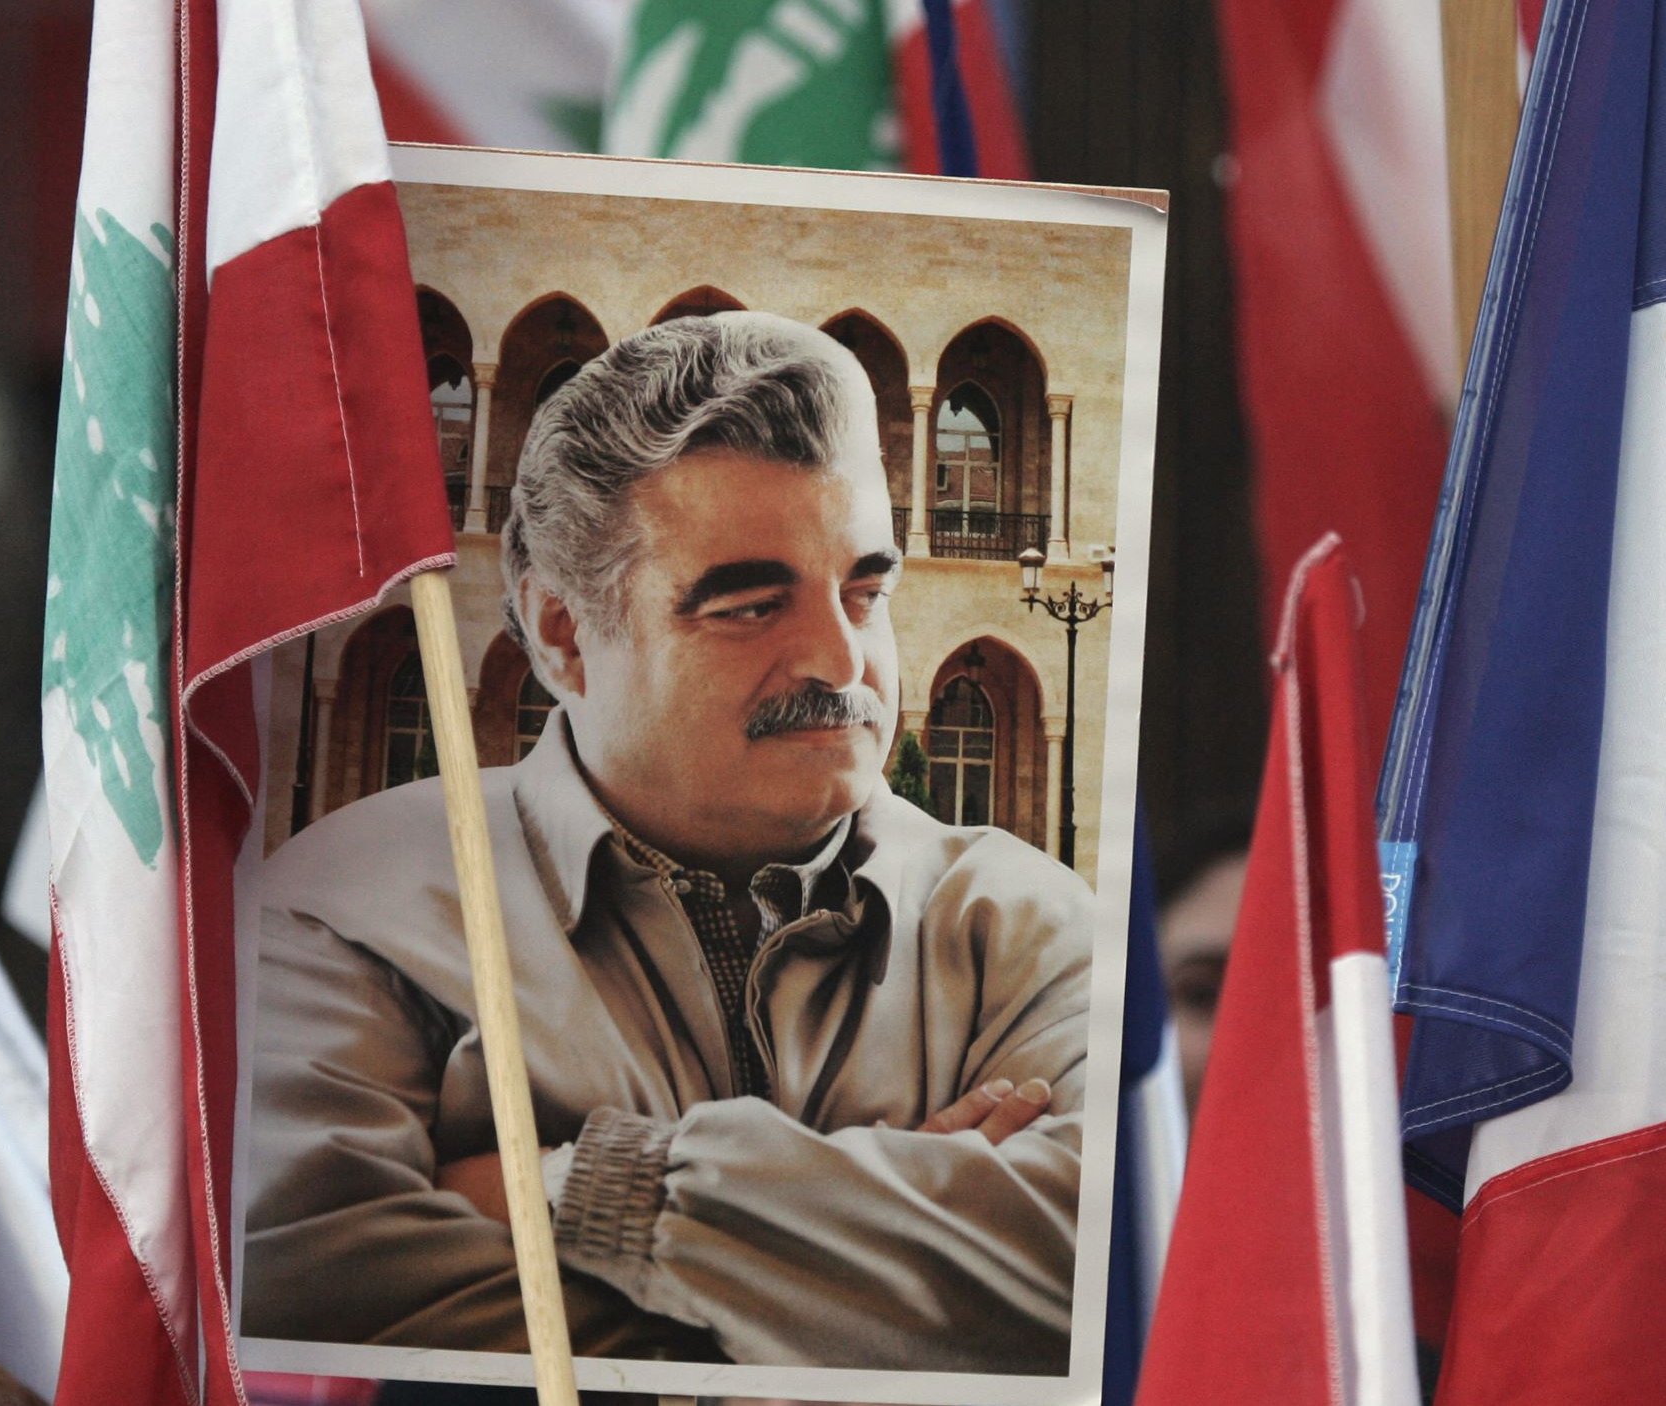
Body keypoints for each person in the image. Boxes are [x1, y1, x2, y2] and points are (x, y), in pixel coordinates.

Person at [244, 313, 1094, 1376]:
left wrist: (600, 1188)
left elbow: (1093, 1268)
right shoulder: (356, 910)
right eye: (748, 605)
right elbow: (316, 1283)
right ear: (562, 633)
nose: (844, 657)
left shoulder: (1020, 925)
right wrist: (890, 1283)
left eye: (865, 592)